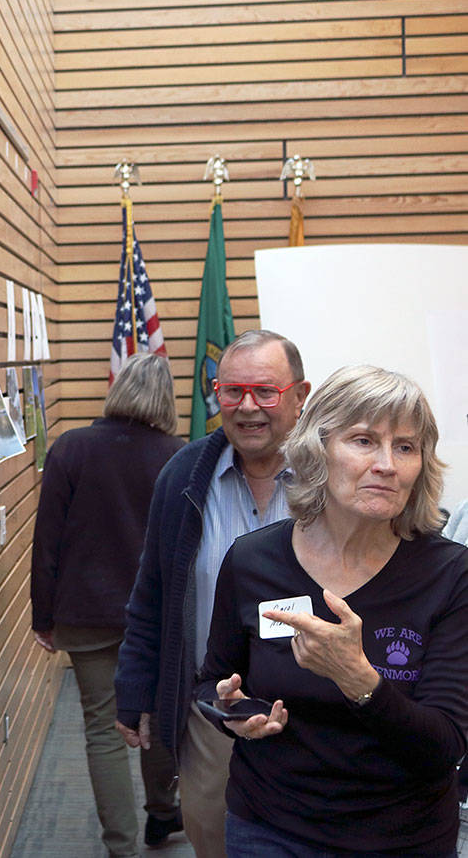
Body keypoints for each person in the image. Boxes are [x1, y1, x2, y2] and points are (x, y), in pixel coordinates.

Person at [196, 365, 468, 855]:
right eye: (363, 440)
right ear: (317, 450)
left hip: (402, 839)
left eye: (405, 447)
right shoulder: (253, 561)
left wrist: (359, 680)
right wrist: (230, 711)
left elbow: (445, 747)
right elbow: (212, 681)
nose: (386, 463)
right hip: (270, 828)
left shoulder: (450, 575)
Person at [114, 330, 311, 858]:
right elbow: (151, 593)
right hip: (214, 719)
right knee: (216, 842)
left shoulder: (330, 479)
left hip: (315, 720)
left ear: (300, 396)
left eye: (265, 392)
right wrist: (135, 686)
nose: (248, 407)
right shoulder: (182, 477)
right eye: (231, 391)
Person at [31, 353, 185, 857]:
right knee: (160, 719)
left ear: (116, 389)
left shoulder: (71, 448)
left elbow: (47, 541)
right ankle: (162, 816)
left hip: (86, 611)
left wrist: (43, 616)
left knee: (101, 725)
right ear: (167, 399)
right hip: (161, 618)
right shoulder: (178, 456)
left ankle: (120, 847)